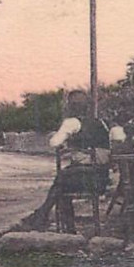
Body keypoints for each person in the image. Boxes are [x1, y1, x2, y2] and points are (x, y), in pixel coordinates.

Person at [28, 91, 110, 233]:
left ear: (71, 107)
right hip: (101, 179)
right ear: (87, 107)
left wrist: (64, 138)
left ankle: (48, 218)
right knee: (62, 181)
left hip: (83, 179)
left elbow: (54, 143)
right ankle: (43, 215)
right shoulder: (101, 123)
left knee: (61, 183)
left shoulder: (71, 123)